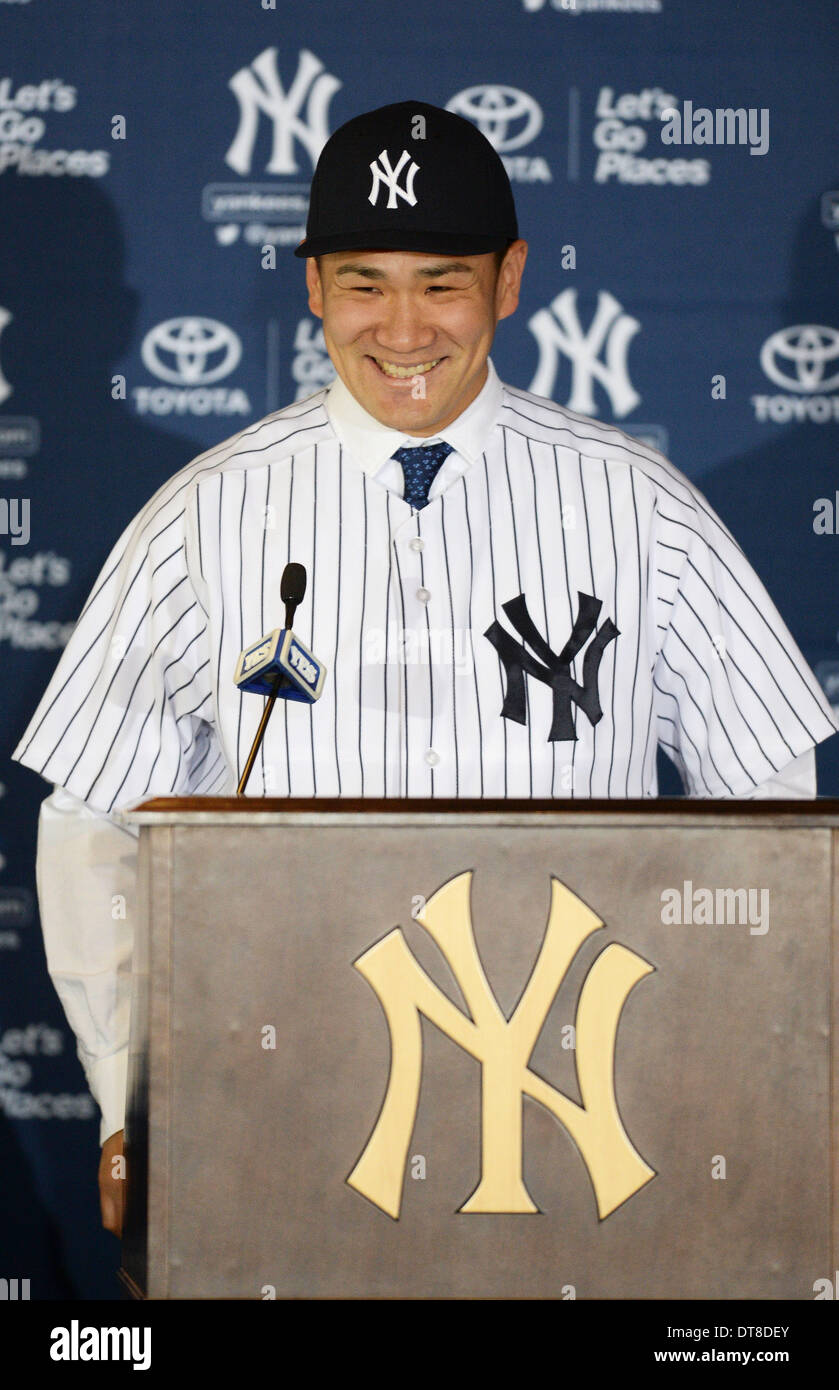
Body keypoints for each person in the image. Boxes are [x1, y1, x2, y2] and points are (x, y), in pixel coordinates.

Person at [12, 101, 838, 1237]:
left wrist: (725, 1085)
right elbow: (93, 820)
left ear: (507, 279)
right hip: (279, 1097)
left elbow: (772, 819)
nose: (401, 328)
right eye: (363, 282)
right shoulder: (203, 515)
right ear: (311, 287)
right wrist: (132, 1094)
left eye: (441, 282)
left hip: (585, 1114)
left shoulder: (642, 510)